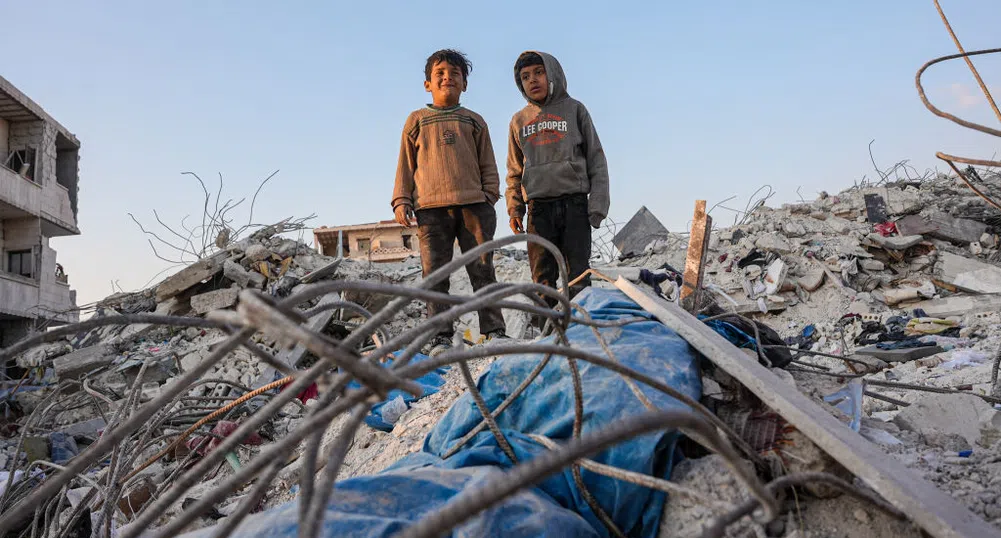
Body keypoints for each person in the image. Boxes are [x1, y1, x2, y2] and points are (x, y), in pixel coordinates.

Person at [392, 49, 507, 356]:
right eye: (440, 73)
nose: (447, 78)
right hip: (430, 210)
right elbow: (405, 165)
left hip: (474, 207)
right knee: (435, 276)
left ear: (465, 84)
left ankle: (494, 332)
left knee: (483, 270)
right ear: (427, 84)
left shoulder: (474, 121)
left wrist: (490, 195)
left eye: (455, 74)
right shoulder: (417, 120)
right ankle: (440, 337)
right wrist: (401, 199)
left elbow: (488, 163)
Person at [505, 51, 610, 311]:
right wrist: (515, 208)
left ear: (553, 74)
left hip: (574, 203)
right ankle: (549, 331)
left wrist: (597, 205)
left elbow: (596, 158)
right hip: (538, 209)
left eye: (539, 73)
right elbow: (514, 170)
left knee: (578, 276)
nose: (533, 80)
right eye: (525, 77)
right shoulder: (519, 121)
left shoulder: (575, 110)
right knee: (542, 279)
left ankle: (580, 329)